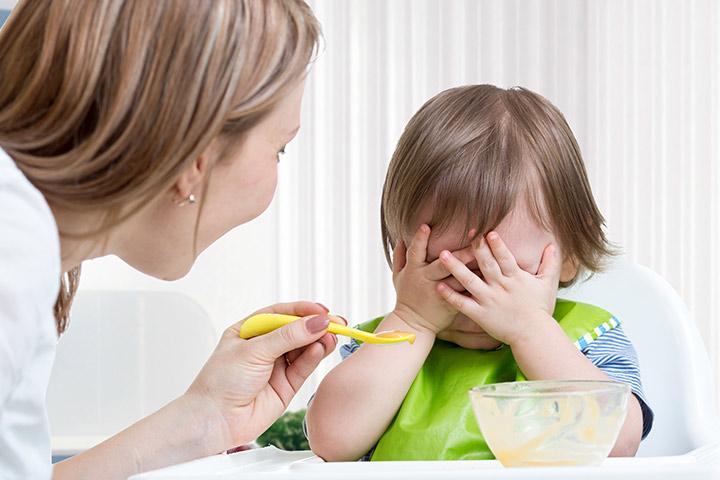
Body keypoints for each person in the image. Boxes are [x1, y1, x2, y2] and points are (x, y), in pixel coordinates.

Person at [0, 1, 343, 479]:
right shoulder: (12, 252)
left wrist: (205, 420)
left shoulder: (23, 238)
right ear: (195, 157)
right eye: (279, 148)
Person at [305, 85, 654, 461]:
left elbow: (617, 443)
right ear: (402, 252)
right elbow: (331, 441)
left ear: (568, 254)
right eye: (445, 270)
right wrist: (414, 320)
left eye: (501, 273)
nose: (473, 297)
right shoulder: (384, 344)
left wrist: (530, 329)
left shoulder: (589, 339)